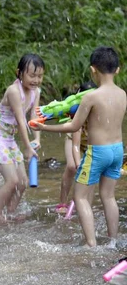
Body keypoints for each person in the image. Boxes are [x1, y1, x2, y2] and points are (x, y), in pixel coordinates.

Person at [33, 47, 126, 246]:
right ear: (117, 70)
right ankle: (113, 242)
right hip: (117, 150)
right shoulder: (123, 94)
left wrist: (44, 127)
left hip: (97, 152)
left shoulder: (90, 97)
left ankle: (91, 245)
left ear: (93, 70)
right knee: (108, 196)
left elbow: (74, 125)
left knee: (80, 196)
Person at [0, 54, 43, 223]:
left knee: (23, 182)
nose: (36, 80)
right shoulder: (13, 91)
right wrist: (27, 147)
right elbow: (21, 120)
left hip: (9, 139)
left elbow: (34, 116)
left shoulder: (36, 92)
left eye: (40, 76)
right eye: (32, 75)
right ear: (19, 73)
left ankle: (10, 211)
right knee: (12, 181)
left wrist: (36, 139)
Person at [56, 82, 96, 214]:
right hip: (73, 139)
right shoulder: (77, 115)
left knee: (92, 172)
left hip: (91, 143)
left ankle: (86, 206)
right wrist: (79, 163)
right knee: (72, 166)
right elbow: (75, 144)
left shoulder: (98, 115)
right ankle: (62, 202)